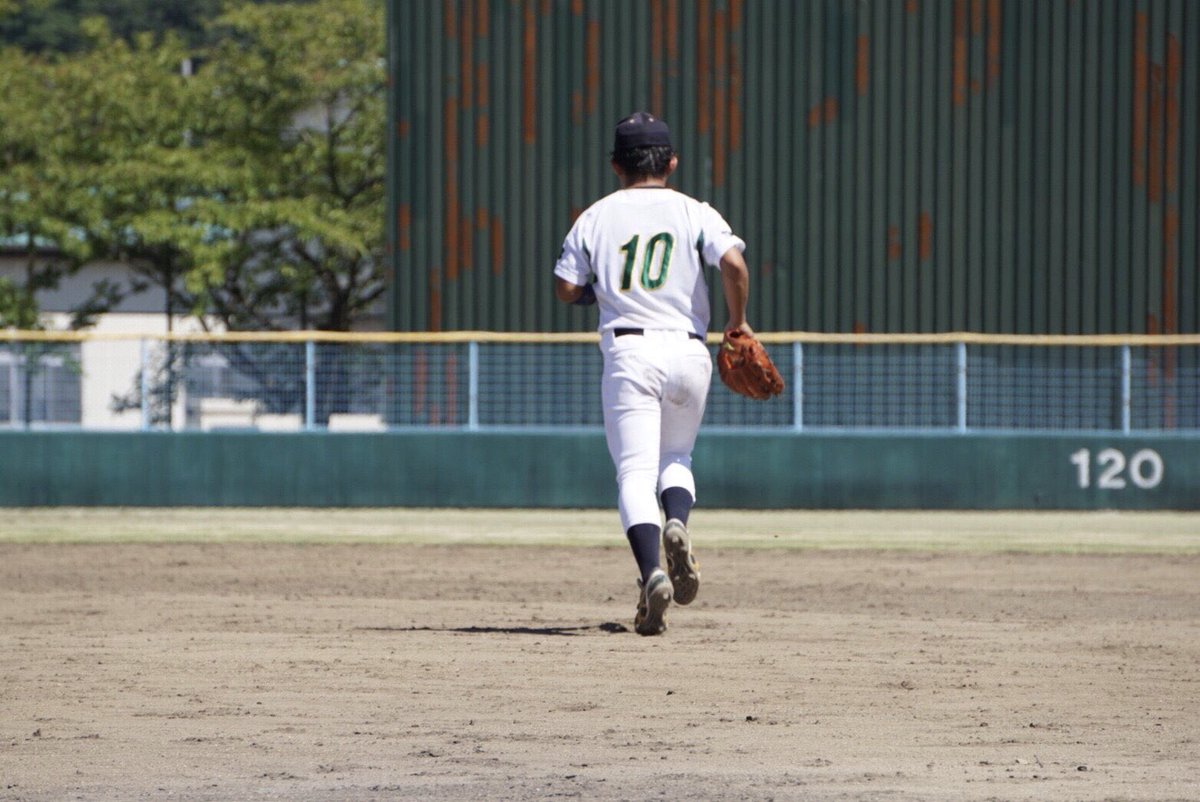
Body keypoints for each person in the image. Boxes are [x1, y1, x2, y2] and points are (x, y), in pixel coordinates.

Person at [553, 111, 755, 636]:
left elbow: (565, 287)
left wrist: (598, 293)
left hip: (630, 352)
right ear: (671, 162)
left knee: (634, 474)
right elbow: (734, 266)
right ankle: (678, 524)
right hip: (690, 351)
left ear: (616, 164)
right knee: (677, 457)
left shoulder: (595, 216)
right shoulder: (695, 211)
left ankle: (651, 575)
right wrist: (738, 325)